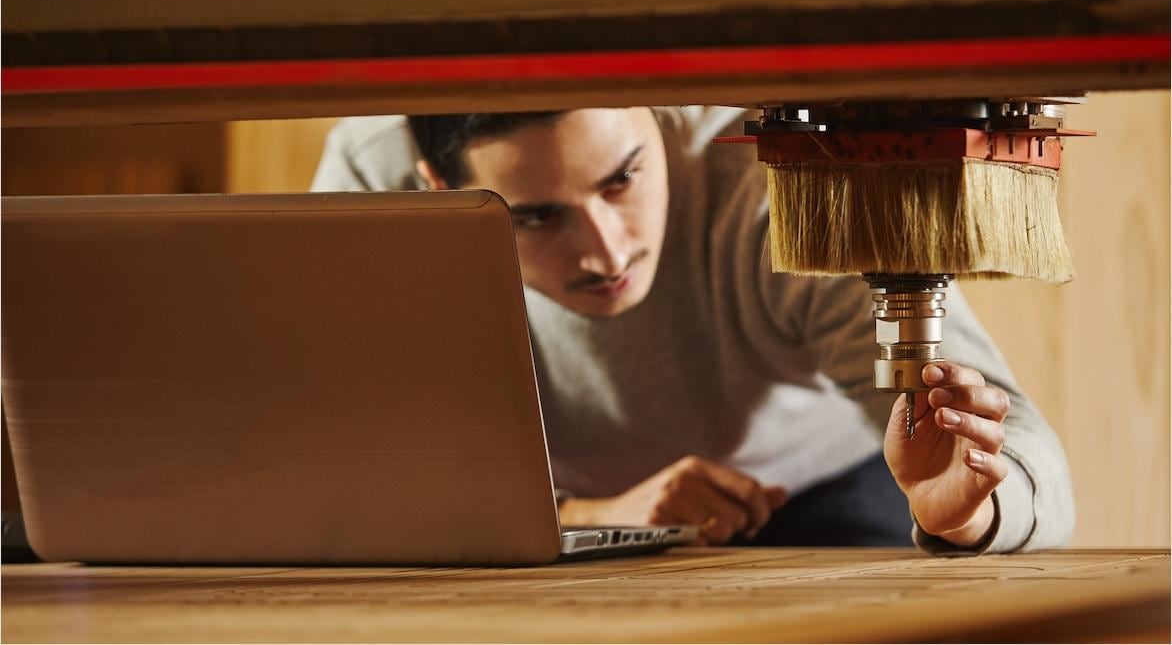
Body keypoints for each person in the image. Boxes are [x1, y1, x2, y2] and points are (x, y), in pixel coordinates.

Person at [311, 106, 1074, 553]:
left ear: (656, 108)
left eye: (622, 179)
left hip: (824, 491)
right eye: (536, 216)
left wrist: (970, 508)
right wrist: (586, 519)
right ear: (437, 188)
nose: (606, 252)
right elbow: (341, 472)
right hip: (547, 521)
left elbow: (1023, 445)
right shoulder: (373, 182)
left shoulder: (777, 173)